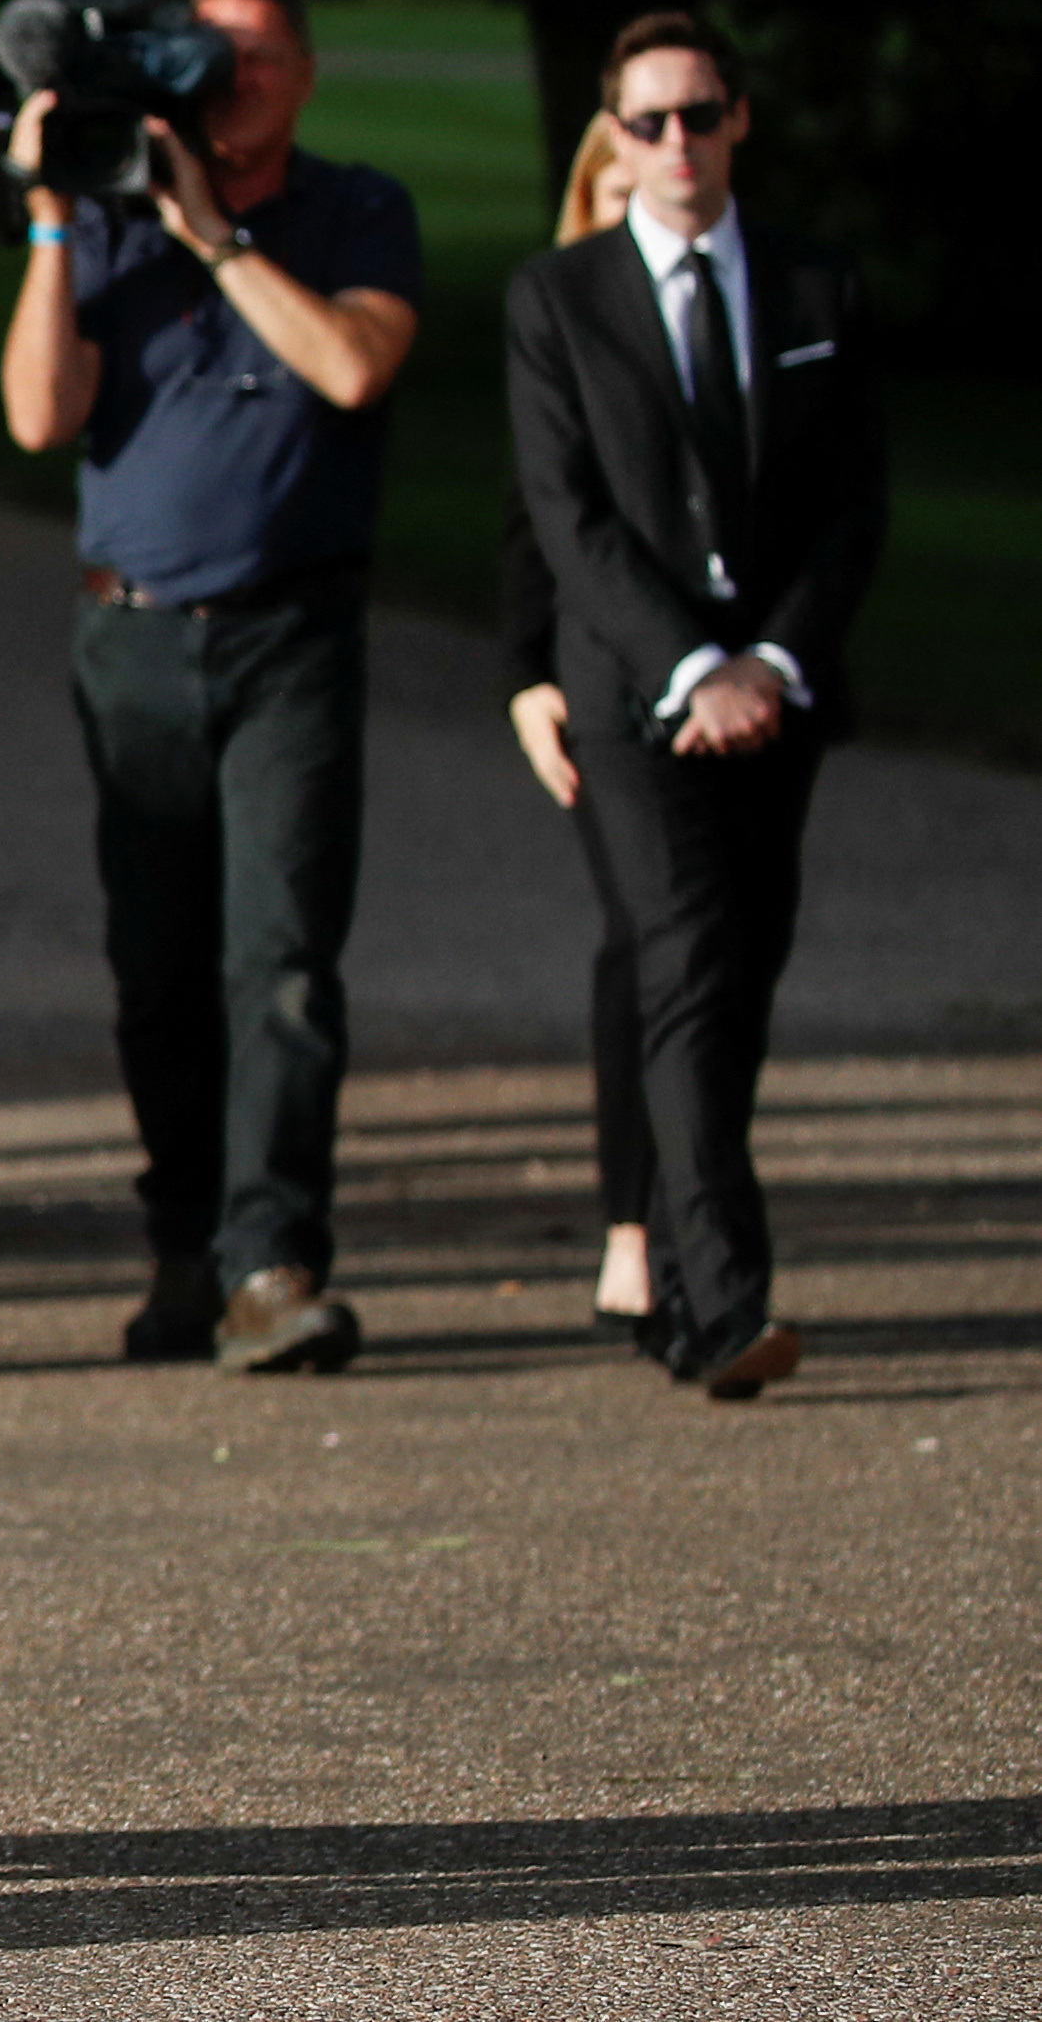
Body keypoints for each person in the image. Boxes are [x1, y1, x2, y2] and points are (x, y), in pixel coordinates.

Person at [0, 0, 422, 1375]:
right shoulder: (108, 216)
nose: (226, 80)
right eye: (204, 57)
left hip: (287, 633)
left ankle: (272, 1257)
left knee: (282, 964)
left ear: (301, 71)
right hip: (128, 637)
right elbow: (35, 414)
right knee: (157, 971)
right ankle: (186, 1240)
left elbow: (353, 368)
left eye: (251, 56)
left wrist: (216, 235)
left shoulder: (354, 209)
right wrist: (55, 216)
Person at [507, 9, 886, 1402]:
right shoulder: (557, 298)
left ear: (737, 121)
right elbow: (568, 516)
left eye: (699, 113)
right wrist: (686, 668)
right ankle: (726, 1302)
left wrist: (769, 665)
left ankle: (670, 1277)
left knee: (740, 975)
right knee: (681, 963)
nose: (677, 142)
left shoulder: (812, 287)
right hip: (632, 694)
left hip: (774, 693)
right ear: (613, 135)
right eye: (649, 120)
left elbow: (850, 507)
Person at [501, 123, 654, 1332]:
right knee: (641, 934)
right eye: (609, 181)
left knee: (707, 947)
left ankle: (683, 1206)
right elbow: (532, 520)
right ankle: (636, 1223)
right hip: (591, 672)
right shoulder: (551, 327)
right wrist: (526, 672)